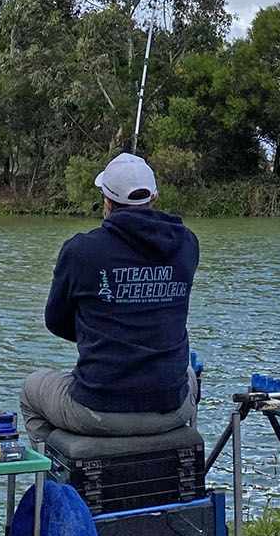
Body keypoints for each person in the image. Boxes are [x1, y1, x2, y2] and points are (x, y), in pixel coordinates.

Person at [20, 152, 200, 446]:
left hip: (98, 407)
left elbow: (56, 321)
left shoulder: (81, 251)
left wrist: (102, 329)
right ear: (154, 196)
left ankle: (58, 478)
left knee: (31, 390)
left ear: (107, 202)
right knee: (190, 373)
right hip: (172, 407)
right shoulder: (187, 244)